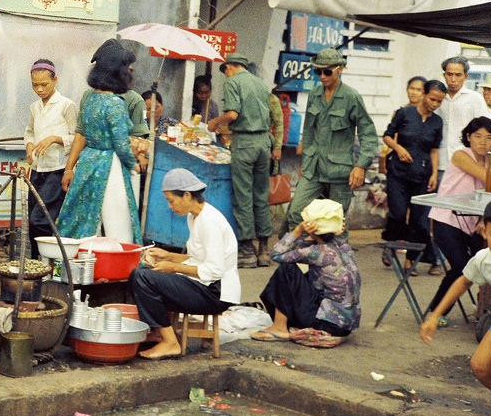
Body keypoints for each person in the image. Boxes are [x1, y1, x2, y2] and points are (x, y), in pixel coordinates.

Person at [129, 169, 239, 359]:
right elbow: (196, 258)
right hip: (204, 285)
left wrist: (172, 267)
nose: (170, 206)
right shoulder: (194, 217)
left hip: (215, 293)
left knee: (142, 278)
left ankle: (170, 343)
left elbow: (213, 270)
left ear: (187, 195)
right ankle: (159, 331)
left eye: (171, 200)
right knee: (143, 273)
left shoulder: (210, 221)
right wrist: (168, 256)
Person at [421, 197, 491, 416]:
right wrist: (435, 316)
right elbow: (463, 281)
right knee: (481, 366)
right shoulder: (484, 259)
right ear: (483, 230)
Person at [285, 48, 378, 238]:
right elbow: (310, 129)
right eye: (318, 71)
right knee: (296, 213)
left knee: (336, 221)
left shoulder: (351, 97)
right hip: (315, 168)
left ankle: (338, 263)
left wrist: (361, 166)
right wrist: (306, 160)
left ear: (340, 69)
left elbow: (368, 134)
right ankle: (302, 257)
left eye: (327, 71)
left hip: (340, 171)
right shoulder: (315, 94)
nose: (322, 76)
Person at [58, 43, 141, 243]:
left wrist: (70, 168)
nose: (130, 72)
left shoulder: (91, 99)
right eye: (128, 68)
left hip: (88, 161)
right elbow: (121, 144)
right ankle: (120, 261)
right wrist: (133, 163)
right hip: (109, 164)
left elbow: (83, 133)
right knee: (118, 221)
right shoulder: (115, 104)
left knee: (83, 216)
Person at [250, 199, 360, 348]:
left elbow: (277, 254)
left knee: (286, 270)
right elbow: (303, 248)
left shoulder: (318, 252)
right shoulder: (342, 245)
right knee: (302, 274)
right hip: (344, 324)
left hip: (326, 323)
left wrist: (298, 231)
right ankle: (283, 322)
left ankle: (279, 328)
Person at [426, 117, 491, 323]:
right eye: (478, 136)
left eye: (490, 138)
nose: (484, 142)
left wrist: (483, 220)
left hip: (471, 222)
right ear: (469, 137)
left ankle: (484, 306)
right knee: (460, 266)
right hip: (446, 219)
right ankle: (436, 311)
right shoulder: (461, 155)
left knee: (488, 261)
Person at [207, 53, 273, 268]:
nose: (225, 75)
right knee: (261, 196)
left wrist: (215, 122)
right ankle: (264, 250)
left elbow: (233, 114)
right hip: (264, 142)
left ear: (230, 67)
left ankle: (246, 251)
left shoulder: (233, 83)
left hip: (245, 142)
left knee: (243, 195)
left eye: (225, 70)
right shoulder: (261, 85)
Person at [381, 79, 446, 275]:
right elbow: (387, 136)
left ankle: (411, 260)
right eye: (432, 99)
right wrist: (398, 148)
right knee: (398, 213)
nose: (434, 104)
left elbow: (434, 150)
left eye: (439, 102)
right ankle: (390, 245)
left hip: (423, 174)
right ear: (424, 94)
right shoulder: (405, 113)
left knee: (419, 220)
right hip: (398, 173)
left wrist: (434, 174)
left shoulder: (437, 121)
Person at [23, 59, 77, 258]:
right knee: (32, 219)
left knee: (42, 219)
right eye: (34, 85)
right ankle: (36, 263)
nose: (39, 89)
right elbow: (29, 132)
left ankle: (48, 261)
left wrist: (55, 139)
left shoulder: (66, 105)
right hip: (37, 170)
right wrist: (29, 145)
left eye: (44, 84)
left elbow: (77, 138)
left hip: (57, 170)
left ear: (55, 80)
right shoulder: (34, 107)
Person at [438, 56, 491, 181]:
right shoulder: (437, 97)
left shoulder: (474, 99)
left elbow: (484, 130)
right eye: (449, 74)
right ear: (444, 75)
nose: (453, 79)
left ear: (465, 76)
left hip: (467, 163)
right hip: (439, 162)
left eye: (458, 75)